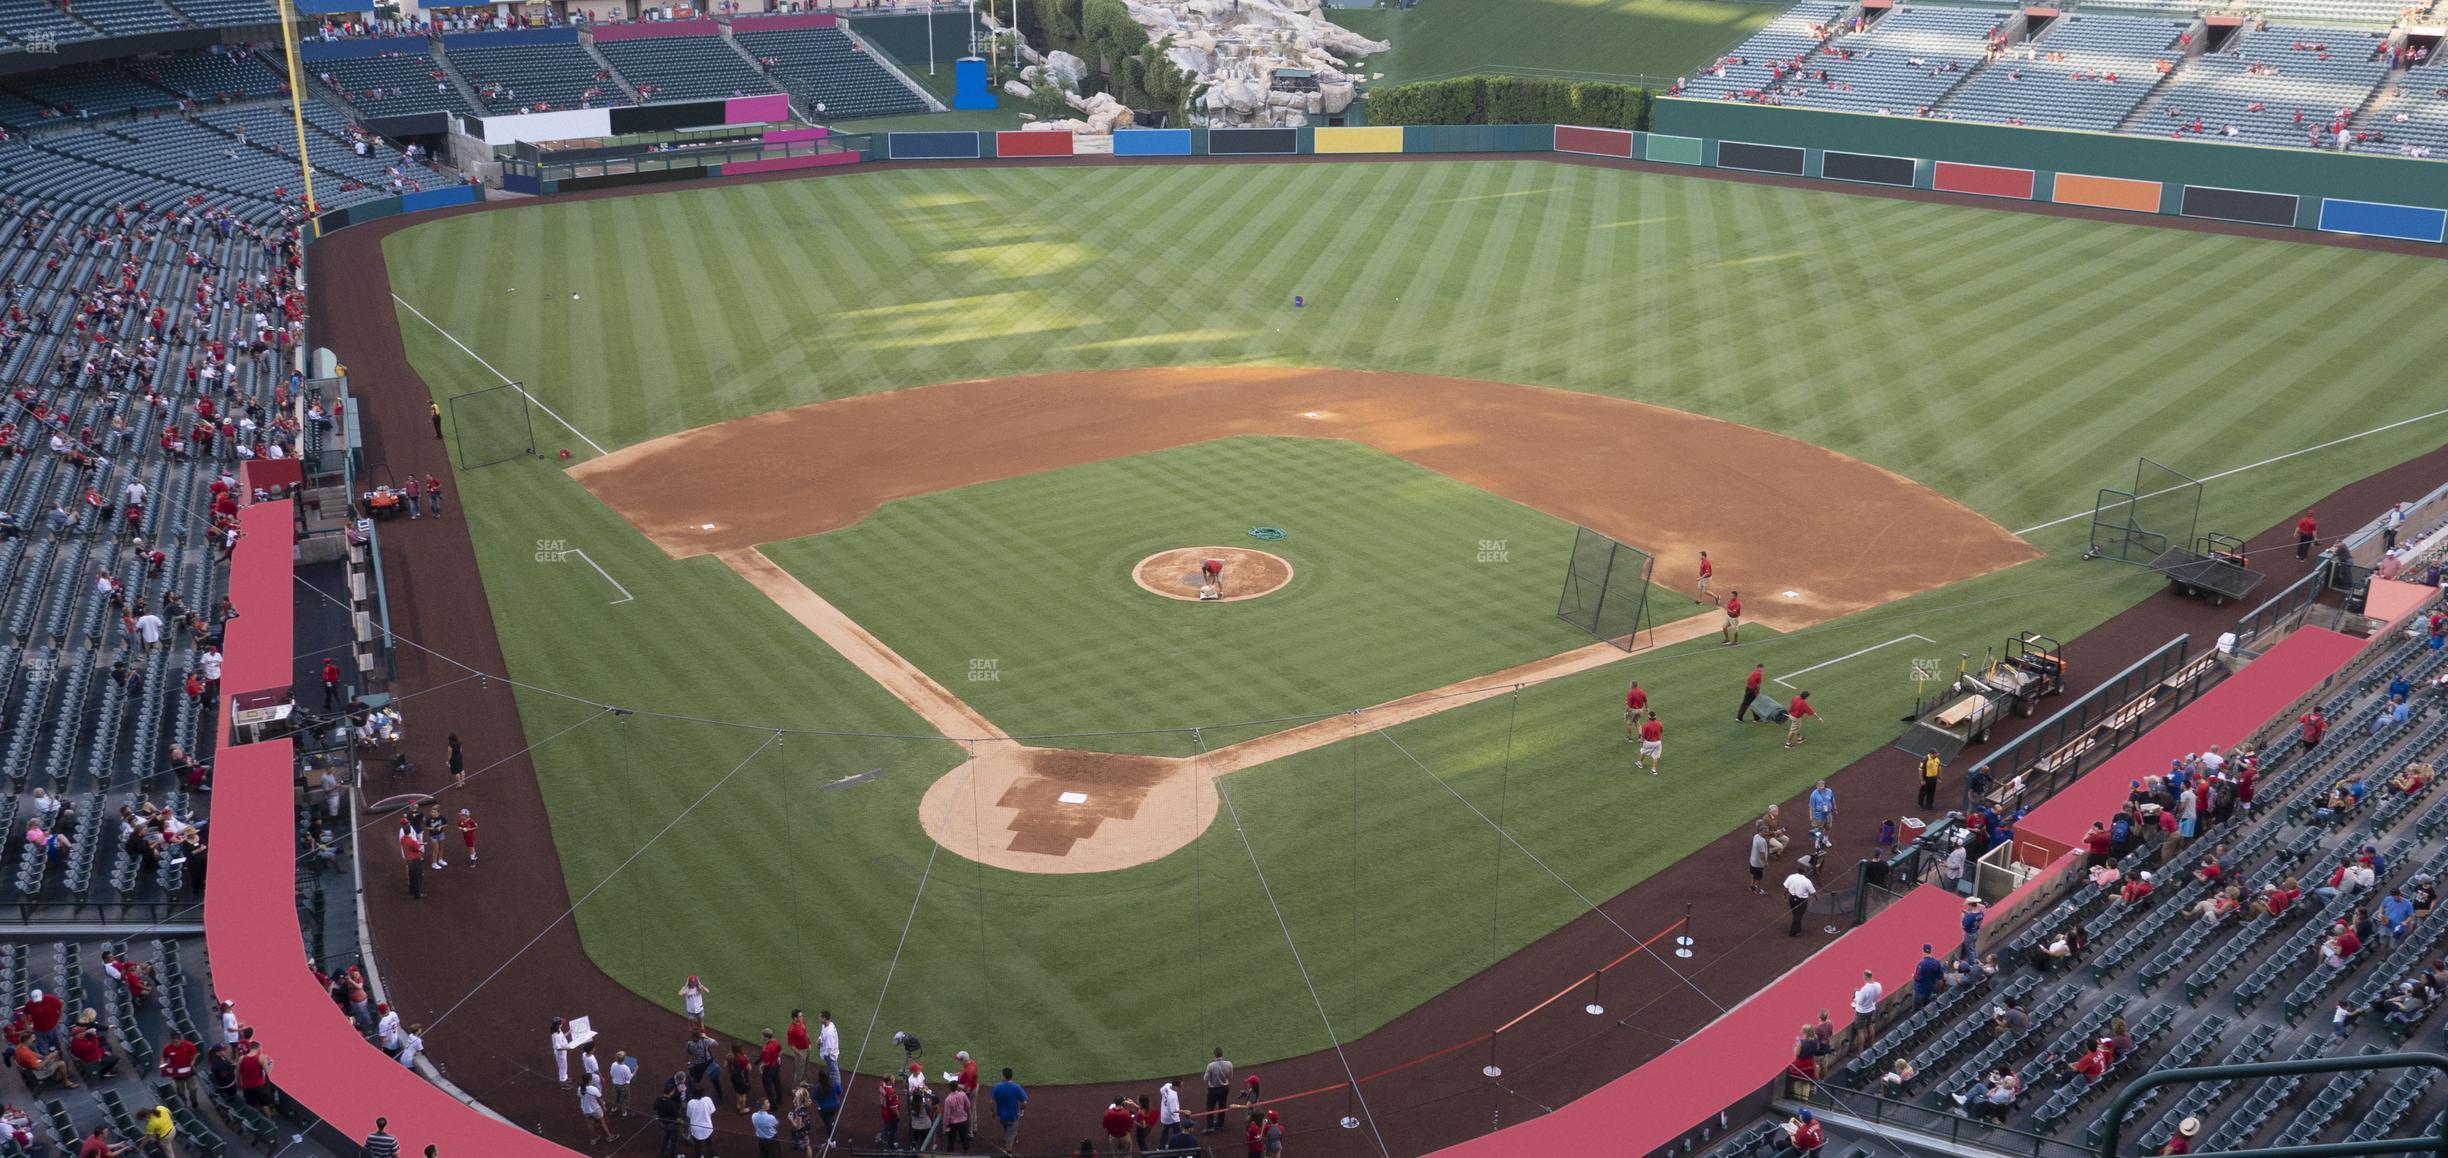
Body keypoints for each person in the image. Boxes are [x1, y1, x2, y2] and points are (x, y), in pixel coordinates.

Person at [1847, 969, 1883, 1055]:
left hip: (1862, 1012)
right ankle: (1871, 1044)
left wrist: (1856, 994)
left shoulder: (1865, 989)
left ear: (1865, 976)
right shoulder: (1878, 985)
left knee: (1860, 1030)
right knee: (1870, 1025)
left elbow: (1859, 1001)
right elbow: (1877, 996)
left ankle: (1860, 1051)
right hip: (1871, 1008)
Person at [992, 1067, 1028, 1149]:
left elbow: (992, 1102)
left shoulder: (997, 1087)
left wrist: (992, 1112)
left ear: (1004, 1076)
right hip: (1013, 1116)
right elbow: (1024, 1102)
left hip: (1001, 1116)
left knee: (1007, 1129)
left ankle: (1012, 1137)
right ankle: (1009, 1151)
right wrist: (1022, 1110)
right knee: (1009, 1139)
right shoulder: (1016, 1087)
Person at [1203, 1048, 1232, 1133]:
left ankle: (1210, 1126)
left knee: (1210, 1107)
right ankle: (1220, 1124)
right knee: (1222, 1106)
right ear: (1222, 1054)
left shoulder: (1210, 1065)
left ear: (1215, 1055)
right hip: (1225, 1088)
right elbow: (1230, 1076)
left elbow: (1205, 1078)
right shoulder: (1229, 1064)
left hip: (1213, 1090)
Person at [686, 1084, 718, 1157]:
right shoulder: (708, 1099)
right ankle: (712, 1156)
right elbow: (712, 1111)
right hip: (707, 1127)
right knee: (709, 1144)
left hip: (695, 1128)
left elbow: (689, 1115)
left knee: (697, 1146)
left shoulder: (690, 1102)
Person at [1786, 868, 1817, 936]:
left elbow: (1786, 887)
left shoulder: (1791, 876)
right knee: (1798, 916)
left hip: (1791, 898)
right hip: (1802, 901)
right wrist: (1816, 898)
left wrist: (1784, 895)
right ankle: (1793, 932)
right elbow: (1813, 892)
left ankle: (1798, 928)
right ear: (1804, 872)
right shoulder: (1807, 881)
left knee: (1795, 914)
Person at [580, 1077, 611, 1143]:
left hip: (586, 1109)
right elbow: (600, 1100)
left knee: (589, 1124)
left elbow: (580, 1095)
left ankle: (593, 1139)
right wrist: (604, 1107)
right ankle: (609, 1136)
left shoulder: (580, 1088)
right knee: (602, 1122)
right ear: (589, 1080)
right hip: (595, 1109)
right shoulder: (593, 1089)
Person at [1637, 711, 1664, 775]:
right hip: (1658, 742)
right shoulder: (1659, 723)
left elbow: (1643, 736)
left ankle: (1640, 763)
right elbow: (1661, 731)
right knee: (1655, 756)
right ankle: (1654, 770)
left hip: (1648, 742)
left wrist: (1641, 743)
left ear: (1648, 717)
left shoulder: (1646, 725)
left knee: (1643, 751)